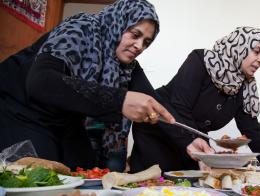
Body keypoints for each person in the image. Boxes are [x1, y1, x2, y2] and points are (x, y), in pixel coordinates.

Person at [0, 0, 174, 170]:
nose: (139, 46)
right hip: (21, 109)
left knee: (87, 170)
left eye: (146, 42)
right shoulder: (81, 28)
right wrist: (119, 100)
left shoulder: (127, 67)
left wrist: (190, 141)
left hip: (66, 118)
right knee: (41, 178)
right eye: (135, 35)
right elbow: (41, 82)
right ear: (118, 22)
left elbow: (157, 106)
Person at [130, 26, 260, 174]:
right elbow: (179, 105)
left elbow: (252, 130)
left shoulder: (244, 87)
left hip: (193, 143)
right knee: (151, 187)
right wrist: (204, 150)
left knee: (187, 192)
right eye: (257, 52)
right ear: (239, 47)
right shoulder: (201, 60)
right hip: (160, 132)